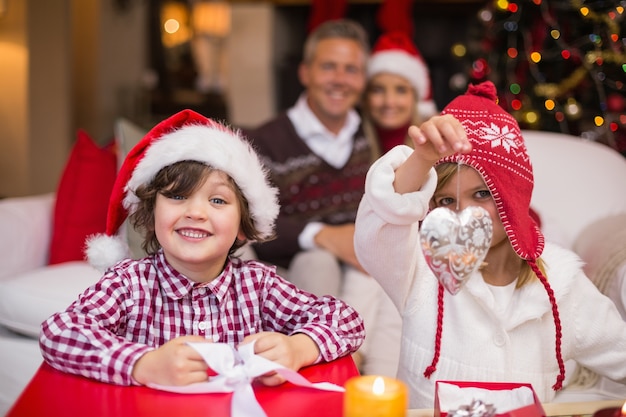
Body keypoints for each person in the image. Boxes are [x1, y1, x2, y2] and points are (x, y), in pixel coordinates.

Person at [39, 109, 365, 388]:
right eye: (178, 196)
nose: (196, 212)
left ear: (242, 228)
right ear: (151, 216)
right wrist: (143, 364)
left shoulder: (258, 286)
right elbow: (59, 332)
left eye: (218, 200)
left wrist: (298, 348)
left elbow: (345, 319)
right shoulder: (128, 284)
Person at [353, 81, 626, 407]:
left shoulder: (562, 286)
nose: (464, 212)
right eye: (446, 200)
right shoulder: (419, 270)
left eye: (482, 194)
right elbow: (379, 227)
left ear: (512, 196)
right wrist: (423, 158)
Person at [242, 19, 398, 377]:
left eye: (352, 70)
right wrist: (323, 237)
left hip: (364, 259)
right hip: (303, 264)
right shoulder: (266, 141)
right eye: (329, 66)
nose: (340, 79)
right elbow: (253, 223)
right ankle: (319, 369)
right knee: (319, 262)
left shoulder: (372, 133)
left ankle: (369, 376)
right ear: (305, 72)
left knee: (389, 269)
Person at [362, 30, 438, 159]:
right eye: (378, 89)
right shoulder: (352, 147)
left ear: (415, 97)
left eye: (401, 90)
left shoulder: (435, 144)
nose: (389, 102)